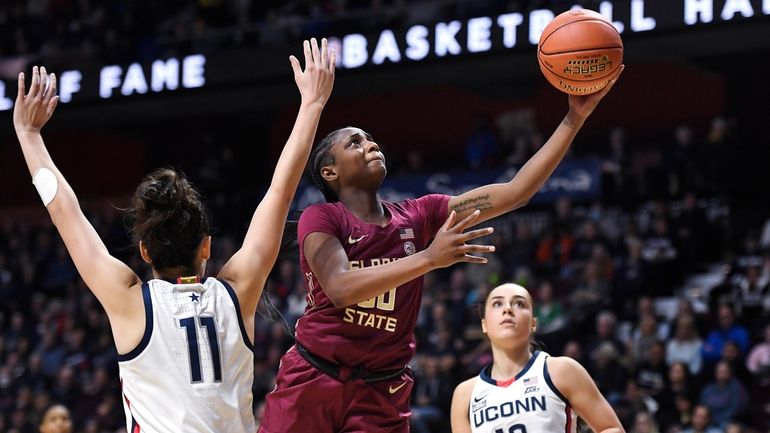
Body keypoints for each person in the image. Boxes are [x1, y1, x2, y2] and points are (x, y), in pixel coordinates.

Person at [258, 64, 624, 433]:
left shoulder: (421, 214)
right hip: (314, 376)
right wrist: (429, 258)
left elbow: (516, 192)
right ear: (330, 173)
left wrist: (574, 118)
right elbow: (339, 287)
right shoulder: (321, 217)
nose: (370, 144)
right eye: (354, 142)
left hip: (381, 390)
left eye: (370, 139)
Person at [13, 37, 336, 433]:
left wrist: (29, 135)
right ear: (207, 246)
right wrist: (312, 104)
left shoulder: (130, 300)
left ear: (145, 251)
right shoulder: (235, 292)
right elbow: (280, 191)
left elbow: (64, 210)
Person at [450, 283, 624, 433]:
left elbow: (611, 428)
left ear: (533, 323)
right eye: (497, 304)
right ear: (484, 324)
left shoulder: (561, 370)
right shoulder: (465, 394)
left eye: (519, 303)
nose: (508, 309)